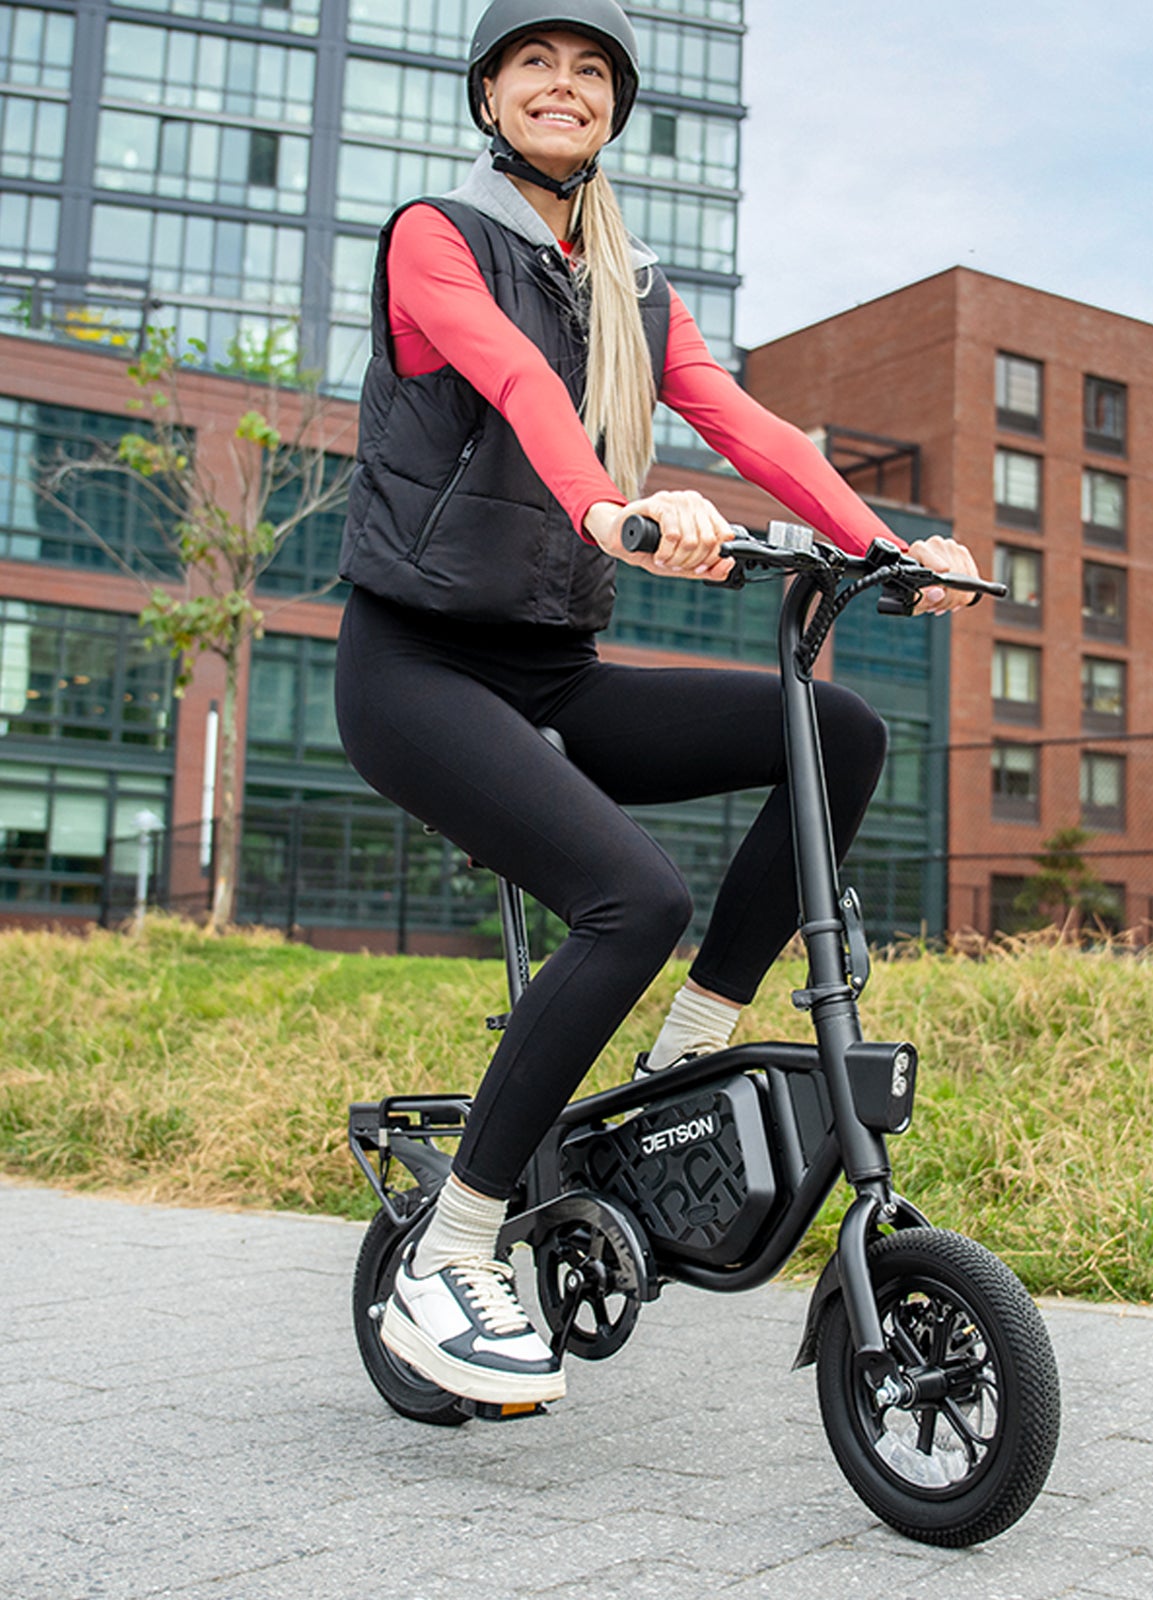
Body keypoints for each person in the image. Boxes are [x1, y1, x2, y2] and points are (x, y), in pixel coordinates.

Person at [334, 0, 981, 1409]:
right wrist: (613, 506)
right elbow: (511, 377)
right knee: (632, 892)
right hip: (416, 670)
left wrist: (886, 549)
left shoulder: (630, 288)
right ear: (491, 96)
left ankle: (692, 1038)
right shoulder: (436, 236)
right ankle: (452, 1249)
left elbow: (742, 420)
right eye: (535, 67)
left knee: (838, 731)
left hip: (552, 673)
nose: (563, 88)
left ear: (614, 109)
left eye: (589, 73)